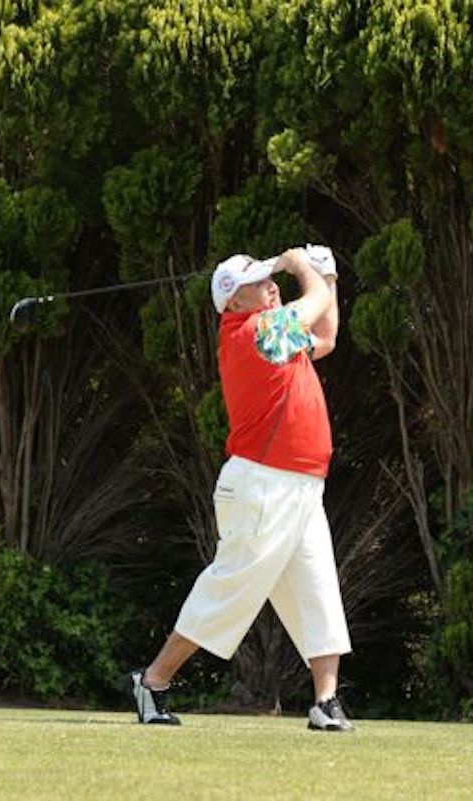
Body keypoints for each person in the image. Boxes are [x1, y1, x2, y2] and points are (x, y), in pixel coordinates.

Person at [126, 245, 355, 732]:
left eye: (270, 279)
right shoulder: (254, 334)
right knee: (230, 588)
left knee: (317, 590)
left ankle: (326, 702)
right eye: (259, 283)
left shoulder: (276, 335)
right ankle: (152, 681)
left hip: (301, 486)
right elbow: (310, 305)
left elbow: (327, 336)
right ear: (233, 302)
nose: (271, 285)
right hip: (261, 485)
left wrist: (328, 277)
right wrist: (302, 269)